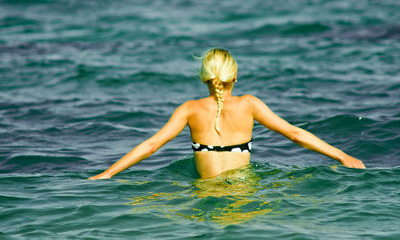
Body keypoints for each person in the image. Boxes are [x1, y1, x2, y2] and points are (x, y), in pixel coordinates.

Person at [89, 48, 365, 180]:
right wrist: (342, 155)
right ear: (235, 76)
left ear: (204, 78)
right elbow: (294, 134)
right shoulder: (250, 104)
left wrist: (107, 174)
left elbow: (151, 145)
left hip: (204, 197)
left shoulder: (189, 109)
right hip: (244, 193)